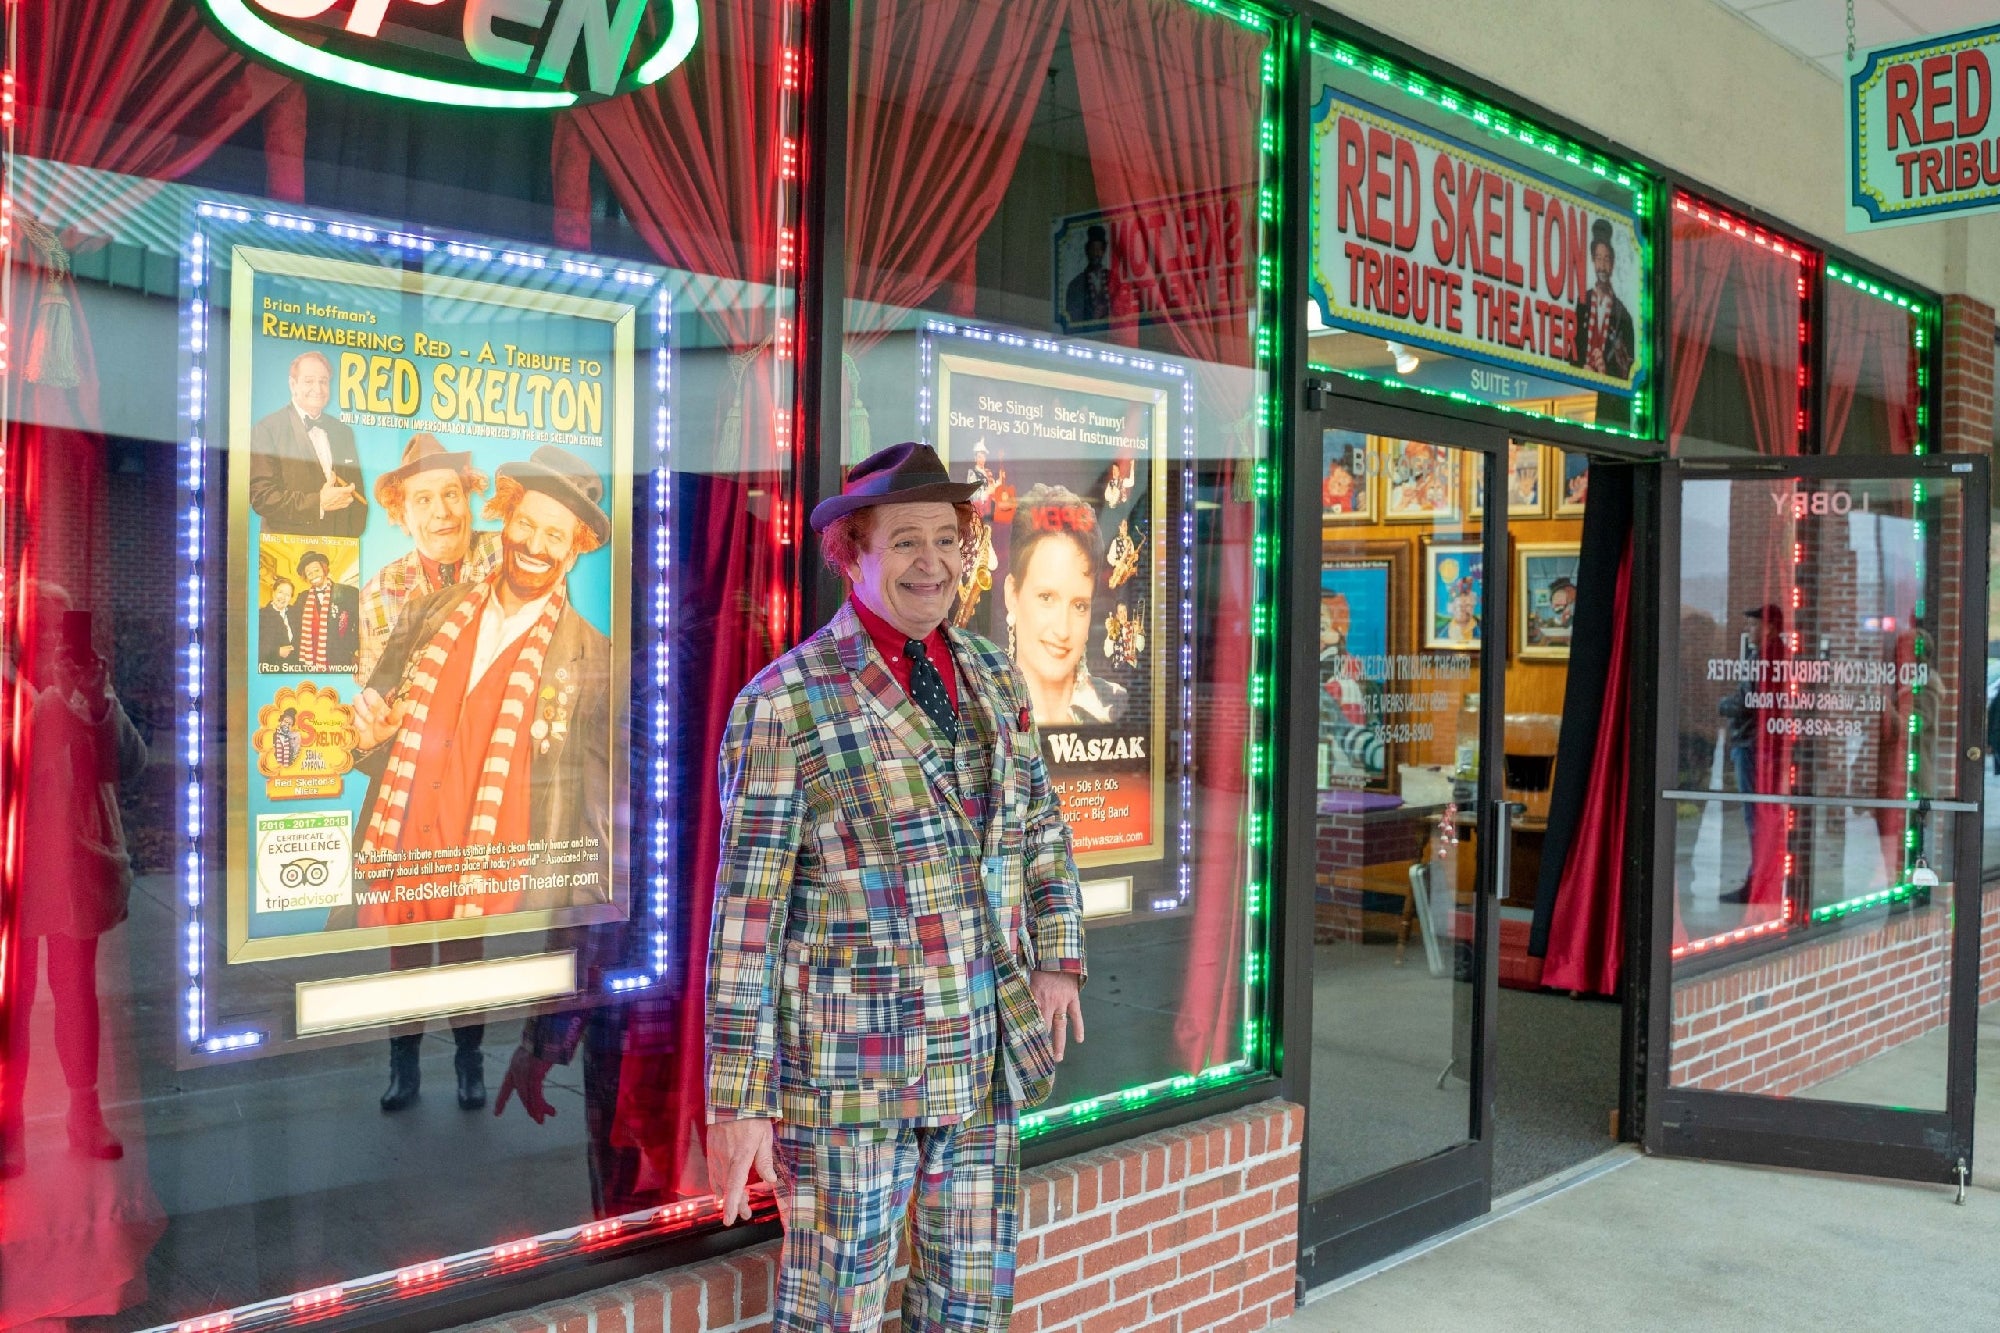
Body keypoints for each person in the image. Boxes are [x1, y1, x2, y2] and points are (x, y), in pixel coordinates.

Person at [706, 441, 1086, 1333]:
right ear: (853, 555)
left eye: (948, 539)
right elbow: (747, 919)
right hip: (848, 1076)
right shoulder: (785, 703)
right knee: (835, 1312)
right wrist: (739, 1098)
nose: (934, 562)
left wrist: (1058, 952)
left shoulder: (992, 673)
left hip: (983, 1048)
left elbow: (1038, 821)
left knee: (969, 1306)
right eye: (907, 540)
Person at [347, 445, 614, 1112]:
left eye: (555, 534)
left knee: (468, 961)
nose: (535, 545)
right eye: (526, 523)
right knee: (406, 963)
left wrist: (581, 914)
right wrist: (367, 739)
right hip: (409, 843)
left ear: (575, 549)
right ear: (504, 518)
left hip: (491, 858)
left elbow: (595, 802)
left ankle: (469, 1063)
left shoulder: (591, 655)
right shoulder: (429, 611)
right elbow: (374, 727)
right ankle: (403, 1066)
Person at [2, 587, 148, 1177]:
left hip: (74, 867)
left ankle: (84, 1113)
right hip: (15, 868)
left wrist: (99, 702)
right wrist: (53, 711)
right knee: (13, 1002)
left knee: (76, 994)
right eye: (40, 624)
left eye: (63, 625)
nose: (53, 635)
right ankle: (8, 1121)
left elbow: (130, 765)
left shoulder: (84, 687)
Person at [356, 432, 502, 683]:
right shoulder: (375, 599)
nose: (442, 512)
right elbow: (374, 694)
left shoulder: (509, 556)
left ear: (467, 501)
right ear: (402, 517)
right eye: (423, 500)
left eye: (451, 494)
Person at [1003, 484, 1126, 726]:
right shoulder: (982, 709)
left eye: (1079, 605)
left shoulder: (1118, 705)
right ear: (1012, 595)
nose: (1062, 630)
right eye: (1046, 597)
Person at [248, 350, 368, 536]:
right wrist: (319, 503)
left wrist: (347, 540)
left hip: (339, 548)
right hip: (287, 547)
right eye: (309, 381)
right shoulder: (267, 429)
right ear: (293, 384)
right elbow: (263, 498)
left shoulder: (343, 432)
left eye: (323, 381)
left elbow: (358, 498)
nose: (318, 389)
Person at [1570, 218, 1636, 381]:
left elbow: (1627, 369)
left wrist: (1606, 372)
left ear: (1612, 264)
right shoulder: (1582, 303)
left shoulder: (1623, 317)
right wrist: (1581, 368)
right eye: (1598, 258)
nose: (1602, 267)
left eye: (1606, 259)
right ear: (1593, 261)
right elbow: (1571, 350)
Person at [292, 550, 360, 672]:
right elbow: (294, 624)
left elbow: (360, 622)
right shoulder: (302, 598)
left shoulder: (348, 592)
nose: (313, 575)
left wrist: (353, 648)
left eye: (316, 570)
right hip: (312, 660)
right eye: (309, 573)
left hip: (340, 658)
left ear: (324, 569)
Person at [1063, 223, 1113, 328]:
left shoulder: (1114, 279)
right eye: (1093, 249)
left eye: (1099, 249)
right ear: (1087, 250)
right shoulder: (1075, 285)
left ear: (1103, 251)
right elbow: (1074, 318)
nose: (1096, 253)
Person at [259, 579, 299, 668]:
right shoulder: (261, 615)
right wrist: (277, 651)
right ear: (273, 592)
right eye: (280, 592)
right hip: (271, 668)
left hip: (293, 668)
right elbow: (252, 648)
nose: (283, 597)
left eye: (287, 595)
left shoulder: (295, 613)